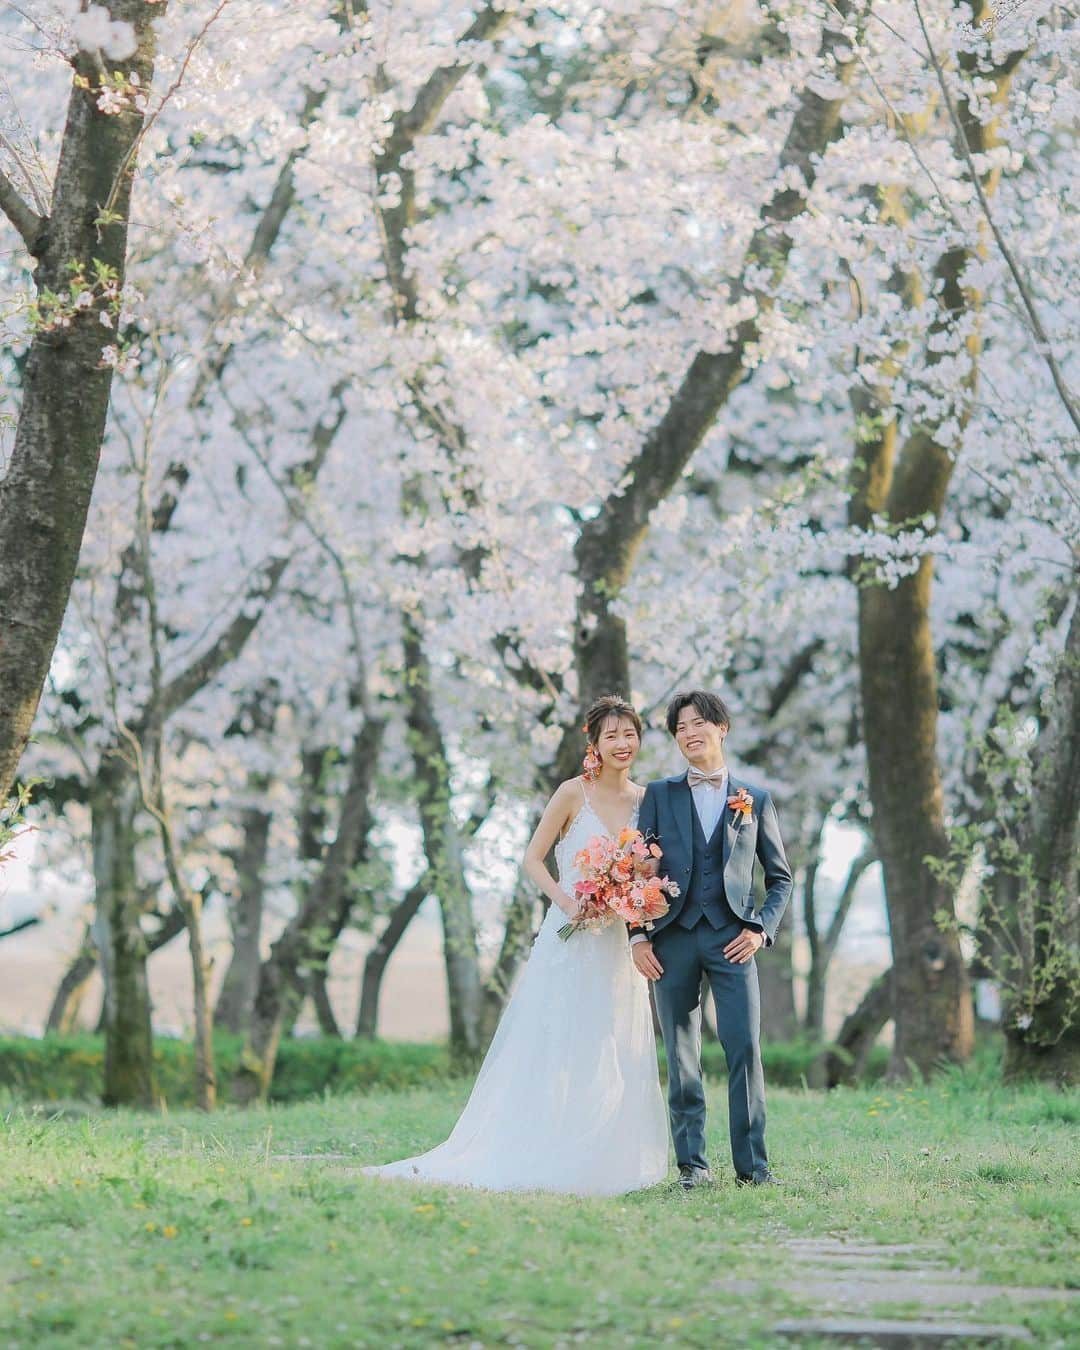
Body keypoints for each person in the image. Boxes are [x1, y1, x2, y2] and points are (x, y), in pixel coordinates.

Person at [362, 694, 669, 1195]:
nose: (622, 743)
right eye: (610, 735)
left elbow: (651, 864)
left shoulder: (645, 799)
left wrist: (634, 888)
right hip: (570, 936)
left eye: (629, 733)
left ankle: (604, 1150)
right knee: (558, 1036)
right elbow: (532, 858)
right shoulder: (574, 792)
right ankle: (542, 1144)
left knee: (611, 1042)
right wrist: (569, 901)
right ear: (593, 743)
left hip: (617, 937)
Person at [631, 690, 792, 1189]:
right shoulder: (659, 795)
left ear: (721, 728)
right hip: (671, 941)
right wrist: (638, 936)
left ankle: (753, 1168)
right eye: (680, 728)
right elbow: (639, 868)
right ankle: (693, 1167)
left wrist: (759, 928)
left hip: (732, 940)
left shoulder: (755, 800)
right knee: (681, 1054)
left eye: (698, 723)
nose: (689, 734)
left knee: (743, 1049)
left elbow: (781, 878)